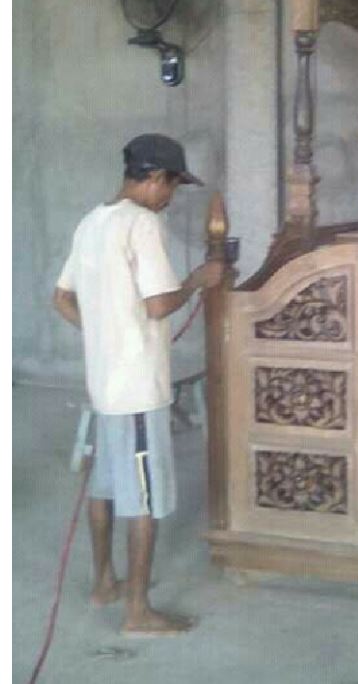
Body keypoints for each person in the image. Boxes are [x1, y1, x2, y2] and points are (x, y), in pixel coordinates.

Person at [53, 133, 224, 637]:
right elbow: (158, 304)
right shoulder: (143, 224)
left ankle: (104, 582)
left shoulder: (92, 221)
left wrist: (104, 334)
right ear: (155, 178)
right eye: (171, 186)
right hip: (138, 389)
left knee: (105, 485)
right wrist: (198, 280)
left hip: (105, 384)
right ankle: (137, 612)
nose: (170, 197)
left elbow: (61, 298)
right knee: (144, 497)